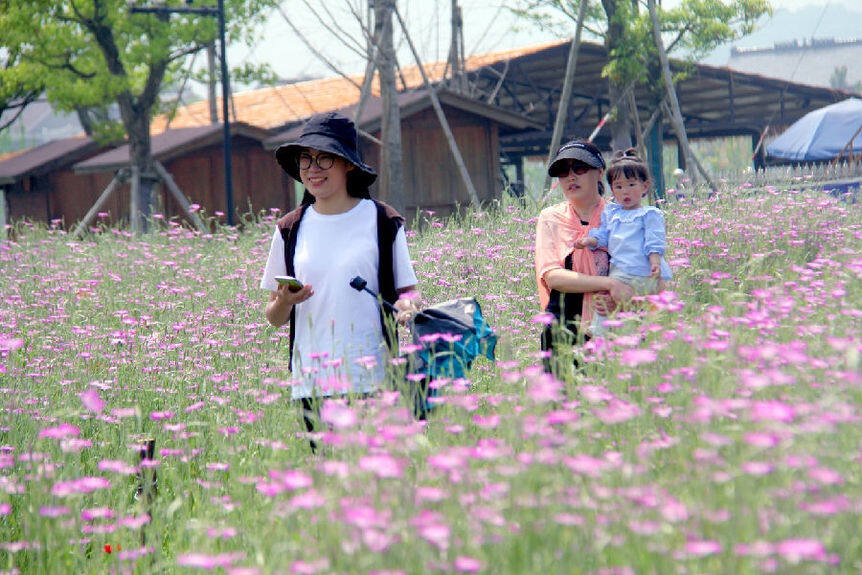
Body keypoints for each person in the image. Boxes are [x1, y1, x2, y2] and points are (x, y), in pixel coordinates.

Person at [260, 112, 419, 448]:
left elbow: (408, 292)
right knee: (327, 480)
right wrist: (285, 301)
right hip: (312, 380)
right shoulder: (289, 229)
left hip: (373, 374)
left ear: (347, 164)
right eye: (306, 159)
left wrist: (408, 306)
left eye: (325, 159)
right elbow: (274, 318)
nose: (313, 169)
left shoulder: (382, 221)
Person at [534, 139, 634, 373]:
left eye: (579, 168)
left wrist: (621, 296)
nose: (571, 177)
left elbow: (641, 271)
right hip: (563, 330)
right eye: (563, 171)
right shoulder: (550, 218)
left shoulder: (621, 217)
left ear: (599, 173)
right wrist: (609, 283)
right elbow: (553, 277)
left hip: (613, 327)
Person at [573, 148, 672, 336]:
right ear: (612, 189)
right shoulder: (612, 213)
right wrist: (588, 240)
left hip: (642, 270)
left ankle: (626, 332)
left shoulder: (649, 214)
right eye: (618, 187)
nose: (624, 191)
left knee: (620, 298)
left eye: (631, 185)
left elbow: (654, 241)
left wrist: (655, 263)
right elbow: (603, 236)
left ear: (645, 186)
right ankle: (603, 335)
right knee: (608, 298)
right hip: (620, 270)